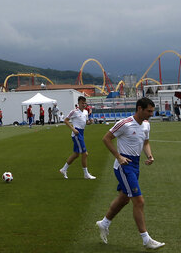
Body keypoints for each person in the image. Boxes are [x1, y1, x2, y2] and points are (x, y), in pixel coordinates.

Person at [95, 97, 165, 249]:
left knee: (124, 198)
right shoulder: (125, 123)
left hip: (135, 165)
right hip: (124, 166)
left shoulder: (146, 125)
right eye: (149, 111)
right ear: (139, 108)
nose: (151, 114)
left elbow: (145, 142)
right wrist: (118, 157)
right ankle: (146, 240)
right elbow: (106, 138)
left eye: (152, 111)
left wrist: (150, 155)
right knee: (138, 201)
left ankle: (104, 223)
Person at [59, 96, 96, 180]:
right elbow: (66, 120)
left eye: (84, 103)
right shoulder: (74, 111)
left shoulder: (86, 112)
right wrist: (73, 129)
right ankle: (86, 174)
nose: (83, 104)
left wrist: (90, 122)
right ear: (78, 103)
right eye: (82, 103)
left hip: (81, 133)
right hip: (77, 134)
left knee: (76, 154)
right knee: (85, 154)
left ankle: (63, 169)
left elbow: (86, 122)